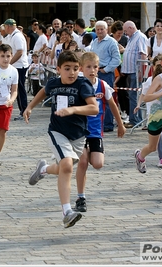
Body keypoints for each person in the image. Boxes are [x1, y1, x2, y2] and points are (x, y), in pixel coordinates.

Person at [22, 50, 98, 228]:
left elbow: (93, 108)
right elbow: (43, 91)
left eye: (75, 68)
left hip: (78, 136)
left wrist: (73, 110)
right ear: (58, 69)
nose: (71, 72)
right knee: (67, 165)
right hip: (57, 132)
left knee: (65, 166)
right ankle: (67, 211)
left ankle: (44, 169)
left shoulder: (83, 84)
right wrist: (30, 106)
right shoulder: (54, 83)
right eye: (67, 68)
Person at [74, 52, 126, 212]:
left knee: (97, 164)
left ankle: (85, 153)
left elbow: (112, 105)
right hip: (79, 131)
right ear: (81, 68)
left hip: (96, 132)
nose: (92, 70)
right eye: (88, 67)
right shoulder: (77, 85)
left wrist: (120, 124)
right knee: (83, 163)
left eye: (95, 67)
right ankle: (80, 197)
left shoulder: (103, 86)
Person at [134, 50, 162, 173]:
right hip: (155, 118)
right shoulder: (160, 79)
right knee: (152, 147)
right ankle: (140, 156)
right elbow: (147, 97)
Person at [91, 20, 121, 132]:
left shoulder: (111, 42)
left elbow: (117, 59)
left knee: (107, 98)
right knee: (97, 97)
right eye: (97, 29)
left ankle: (108, 124)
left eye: (101, 29)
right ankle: (100, 122)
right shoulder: (94, 42)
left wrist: (106, 69)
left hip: (106, 73)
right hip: (95, 72)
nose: (99, 31)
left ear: (106, 29)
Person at [121, 21, 147, 128]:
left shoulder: (140, 37)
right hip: (130, 72)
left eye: (126, 31)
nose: (125, 33)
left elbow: (143, 55)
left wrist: (141, 72)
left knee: (135, 96)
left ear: (131, 28)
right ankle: (134, 118)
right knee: (132, 95)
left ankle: (135, 119)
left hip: (136, 72)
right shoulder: (131, 38)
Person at [3, 18, 29, 121]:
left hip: (19, 66)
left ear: (8, 26)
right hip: (17, 66)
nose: (5, 29)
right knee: (17, 89)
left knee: (20, 89)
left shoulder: (17, 36)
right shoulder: (13, 35)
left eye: (5, 27)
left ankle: (24, 111)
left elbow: (19, 52)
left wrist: (9, 63)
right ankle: (23, 110)